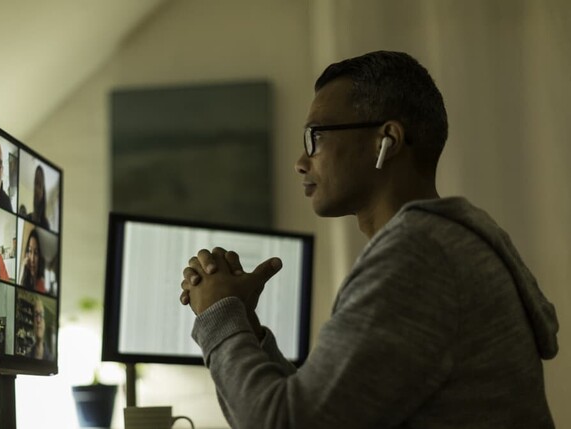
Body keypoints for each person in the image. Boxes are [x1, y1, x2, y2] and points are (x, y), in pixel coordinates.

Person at [179, 51, 558, 428]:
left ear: (387, 141)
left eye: (316, 136)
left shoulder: (418, 257)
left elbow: (285, 423)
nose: (300, 160)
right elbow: (330, 410)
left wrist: (219, 314)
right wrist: (245, 324)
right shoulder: (443, 242)